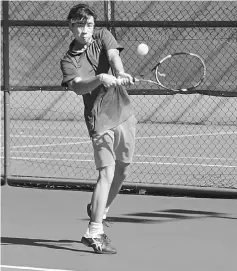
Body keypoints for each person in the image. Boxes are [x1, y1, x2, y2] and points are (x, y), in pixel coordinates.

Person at [60, 3, 136, 254]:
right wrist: (100, 79)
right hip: (99, 120)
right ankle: (94, 231)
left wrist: (121, 72)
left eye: (89, 24)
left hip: (123, 112)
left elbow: (113, 56)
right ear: (71, 26)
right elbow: (79, 87)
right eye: (80, 25)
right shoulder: (68, 61)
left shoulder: (102, 35)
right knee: (107, 173)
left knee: (122, 171)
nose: (85, 30)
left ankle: (99, 210)